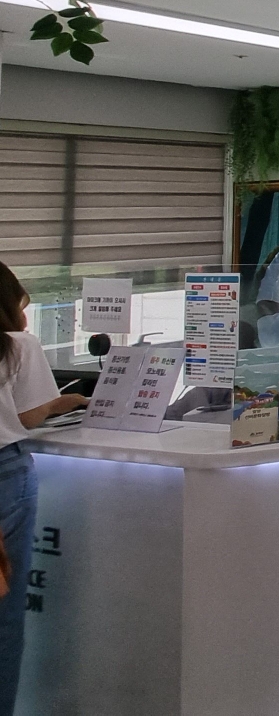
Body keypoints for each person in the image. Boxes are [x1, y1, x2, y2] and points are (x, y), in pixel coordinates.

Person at [0, 263, 87, 714]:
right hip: (4, 477)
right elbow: (28, 416)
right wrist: (60, 403)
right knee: (3, 610)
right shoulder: (17, 345)